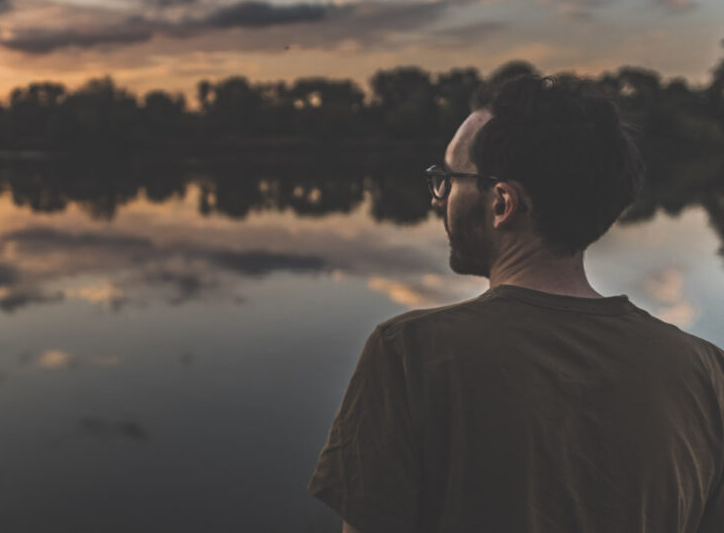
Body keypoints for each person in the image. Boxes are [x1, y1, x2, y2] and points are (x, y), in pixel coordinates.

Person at [307, 73, 724, 532]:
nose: (437, 199)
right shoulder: (706, 373)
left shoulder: (409, 354)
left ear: (502, 203)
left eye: (447, 178)